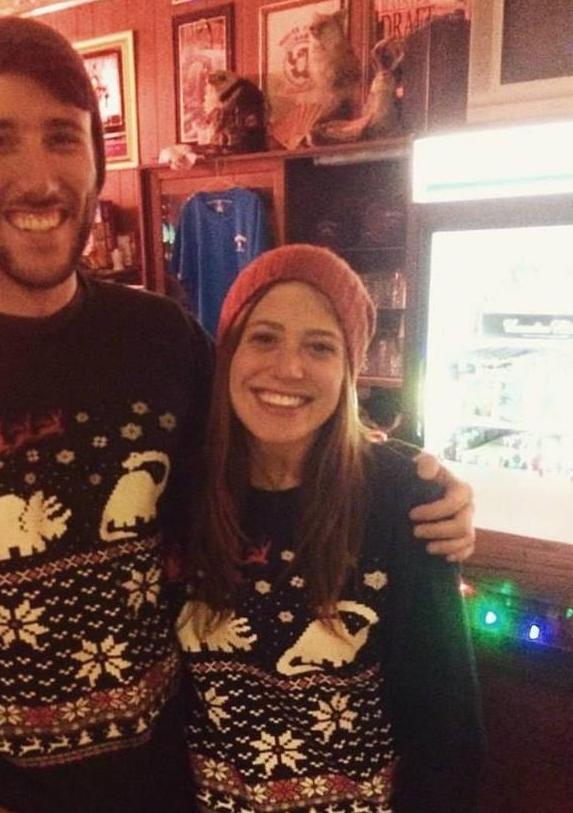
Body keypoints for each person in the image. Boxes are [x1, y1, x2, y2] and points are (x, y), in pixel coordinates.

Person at [0, 17, 475, 813]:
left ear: (96, 159)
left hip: (168, 791)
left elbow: (280, 423)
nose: (38, 176)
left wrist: (416, 479)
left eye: (61, 139)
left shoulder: (160, 339)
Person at [178, 244, 484, 813]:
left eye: (320, 346)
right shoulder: (178, 491)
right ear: (229, 354)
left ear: (349, 368)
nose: (288, 368)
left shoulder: (403, 496)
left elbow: (447, 729)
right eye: (264, 337)